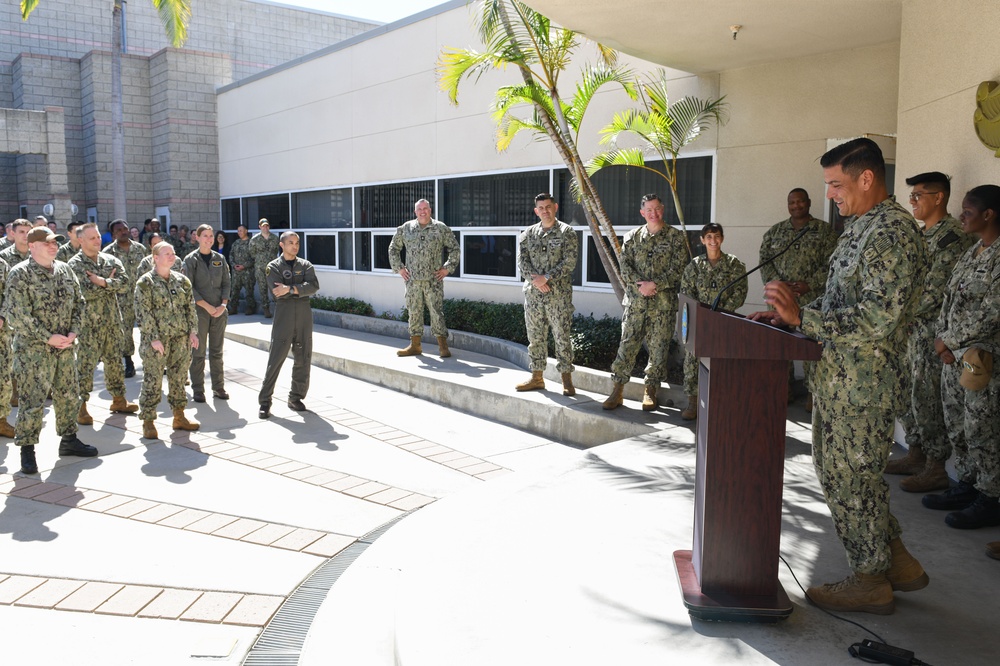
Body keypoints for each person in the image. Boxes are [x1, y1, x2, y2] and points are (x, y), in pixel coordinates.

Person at [751, 138, 929, 615]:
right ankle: (896, 562)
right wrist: (794, 315)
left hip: (865, 384)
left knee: (852, 477)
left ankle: (870, 579)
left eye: (835, 184)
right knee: (845, 474)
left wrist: (803, 321)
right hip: (840, 379)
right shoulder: (861, 227)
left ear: (866, 178)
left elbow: (878, 318)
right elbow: (841, 305)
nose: (829, 194)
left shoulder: (890, 232)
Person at [885, 172, 974, 492]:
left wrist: (896, 310)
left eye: (919, 195)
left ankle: (936, 465)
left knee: (927, 399)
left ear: (939, 197)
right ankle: (916, 453)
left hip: (932, 333)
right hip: (909, 331)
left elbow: (934, 292)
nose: (913, 202)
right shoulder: (922, 235)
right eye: (911, 196)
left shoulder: (952, 237)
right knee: (906, 395)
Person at [924, 185, 1000, 532]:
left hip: (985, 359)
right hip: (956, 356)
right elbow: (949, 299)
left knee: (982, 429)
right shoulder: (972, 253)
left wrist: (947, 341)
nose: (961, 216)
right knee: (958, 425)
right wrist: (944, 342)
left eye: (968, 211)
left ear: (989, 215)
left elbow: (991, 314)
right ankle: (966, 484)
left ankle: (990, 498)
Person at [2, 227, 95, 474]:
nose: (53, 246)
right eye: (47, 243)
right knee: (32, 401)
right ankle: (27, 450)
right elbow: (17, 315)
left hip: (65, 347)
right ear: (32, 246)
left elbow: (79, 303)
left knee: (67, 395)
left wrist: (74, 331)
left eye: (55, 242)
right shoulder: (19, 274)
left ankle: (68, 440)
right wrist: (48, 337)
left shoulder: (64, 270)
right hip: (34, 351)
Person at [602, 194, 687, 411]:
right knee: (627, 345)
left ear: (663, 209)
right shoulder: (631, 237)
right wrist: (642, 286)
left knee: (659, 349)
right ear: (642, 213)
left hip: (663, 305)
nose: (653, 213)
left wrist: (655, 284)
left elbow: (679, 270)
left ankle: (650, 391)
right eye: (649, 210)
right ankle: (617, 389)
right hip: (636, 304)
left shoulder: (676, 238)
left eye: (657, 208)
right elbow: (625, 266)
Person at [759, 188, 837, 411]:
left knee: (810, 346)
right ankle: (784, 388)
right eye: (792, 203)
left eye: (800, 202)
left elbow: (832, 265)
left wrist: (810, 284)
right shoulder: (776, 232)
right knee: (780, 345)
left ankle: (813, 393)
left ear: (809, 203)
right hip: (780, 301)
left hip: (811, 299)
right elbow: (765, 260)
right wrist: (779, 285)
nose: (796, 206)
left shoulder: (824, 231)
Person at [68, 223, 139, 424]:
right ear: (80, 240)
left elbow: (125, 284)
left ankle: (118, 399)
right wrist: (108, 285)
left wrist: (103, 282)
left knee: (115, 362)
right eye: (92, 238)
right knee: (85, 366)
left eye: (98, 237)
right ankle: (80, 406)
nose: (97, 241)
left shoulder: (111, 260)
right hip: (88, 326)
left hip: (113, 322)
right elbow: (83, 292)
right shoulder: (75, 265)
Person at [679, 223, 748, 420]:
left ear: (722, 239)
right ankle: (693, 401)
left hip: (723, 321)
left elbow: (740, 292)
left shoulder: (734, 264)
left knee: (722, 361)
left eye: (716, 236)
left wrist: (720, 312)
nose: (712, 240)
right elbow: (686, 292)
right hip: (699, 322)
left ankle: (721, 401)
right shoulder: (694, 266)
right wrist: (700, 313)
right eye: (708, 236)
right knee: (693, 361)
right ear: (702, 240)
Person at [134, 242, 200, 439]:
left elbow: (190, 308)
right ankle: (148, 421)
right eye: (167, 254)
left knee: (179, 379)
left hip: (180, 339)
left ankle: (179, 416)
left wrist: (193, 332)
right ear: (155, 257)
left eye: (173, 253)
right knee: (153, 381)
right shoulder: (145, 283)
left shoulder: (182, 281)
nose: (172, 257)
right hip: (157, 341)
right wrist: (153, 338)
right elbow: (143, 313)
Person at [514, 193, 578, 395]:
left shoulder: (567, 232)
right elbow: (522, 262)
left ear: (555, 207)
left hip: (558, 296)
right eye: (541, 208)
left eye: (548, 207)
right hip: (534, 296)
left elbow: (569, 262)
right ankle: (537, 377)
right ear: (536, 211)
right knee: (535, 338)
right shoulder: (528, 234)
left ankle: (566, 380)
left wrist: (547, 278)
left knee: (562, 337)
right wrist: (536, 280)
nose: (545, 211)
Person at [388, 199, 460, 357]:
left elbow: (454, 248)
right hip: (413, 281)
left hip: (433, 281)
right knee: (414, 312)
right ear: (415, 212)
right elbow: (393, 248)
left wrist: (447, 268)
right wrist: (399, 268)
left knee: (437, 312)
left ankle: (443, 346)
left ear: (430, 210)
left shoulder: (440, 228)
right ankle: (415, 346)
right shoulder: (406, 228)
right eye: (419, 209)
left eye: (425, 208)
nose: (422, 211)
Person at [258, 232, 318, 418]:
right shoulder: (273, 267)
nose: (295, 246)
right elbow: (278, 292)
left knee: (303, 356)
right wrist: (299, 289)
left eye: (297, 243)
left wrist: (290, 288)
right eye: (291, 243)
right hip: (284, 314)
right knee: (276, 358)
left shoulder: (305, 265)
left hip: (303, 314)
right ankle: (265, 401)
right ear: (281, 245)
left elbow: (313, 286)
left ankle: (296, 397)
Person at [183, 224, 231, 402]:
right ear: (197, 237)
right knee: (199, 352)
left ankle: (218, 387)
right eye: (205, 236)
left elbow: (227, 282)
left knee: (217, 352)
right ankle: (198, 389)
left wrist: (223, 304)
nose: (209, 239)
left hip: (219, 311)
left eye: (211, 236)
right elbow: (189, 287)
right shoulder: (190, 260)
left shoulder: (220, 258)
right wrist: (207, 307)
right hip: (200, 312)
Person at [103, 218, 148, 378]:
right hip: (121, 299)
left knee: (148, 330)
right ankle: (128, 361)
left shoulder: (141, 249)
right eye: (119, 230)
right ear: (113, 234)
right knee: (125, 332)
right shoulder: (108, 253)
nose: (123, 232)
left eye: (125, 229)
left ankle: (152, 361)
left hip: (142, 297)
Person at [249, 219, 280, 317]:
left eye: (267, 226)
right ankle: (266, 309)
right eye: (263, 226)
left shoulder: (275, 238)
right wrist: (260, 259)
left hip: (272, 268)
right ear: (259, 227)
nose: (265, 228)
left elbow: (276, 250)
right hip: (260, 268)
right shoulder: (254, 239)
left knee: (275, 288)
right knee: (262, 289)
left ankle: (280, 308)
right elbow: (252, 253)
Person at [228, 225, 256, 315]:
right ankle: (233, 307)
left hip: (247, 272)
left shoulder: (251, 243)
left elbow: (254, 257)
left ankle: (250, 307)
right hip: (236, 272)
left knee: (249, 290)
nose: (239, 232)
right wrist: (233, 265)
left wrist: (244, 266)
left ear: (246, 231)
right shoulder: (236, 243)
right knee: (234, 290)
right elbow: (231, 255)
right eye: (238, 231)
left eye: (241, 230)